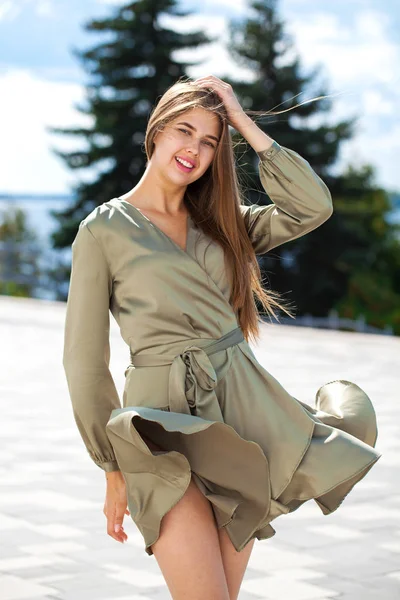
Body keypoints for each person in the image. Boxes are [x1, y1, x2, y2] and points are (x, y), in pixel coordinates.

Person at [63, 75, 382, 600]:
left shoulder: (226, 224)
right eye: (184, 131)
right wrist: (110, 465)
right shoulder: (104, 230)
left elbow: (312, 207)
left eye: (209, 141)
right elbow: (84, 361)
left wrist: (244, 124)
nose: (193, 148)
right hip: (159, 428)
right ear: (156, 131)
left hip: (241, 418)